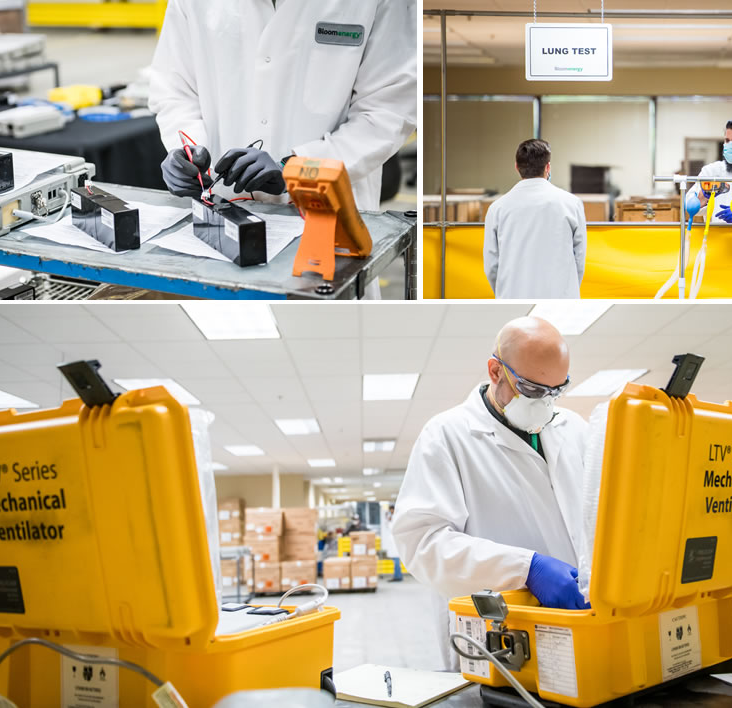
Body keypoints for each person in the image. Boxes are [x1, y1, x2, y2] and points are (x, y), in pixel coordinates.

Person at [148, 1, 417, 299]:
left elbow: (388, 111)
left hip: (326, 224)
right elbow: (174, 90)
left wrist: (299, 167)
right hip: (220, 222)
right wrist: (187, 149)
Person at [392, 316, 589, 669]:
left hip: (580, 623)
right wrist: (526, 568)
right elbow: (422, 544)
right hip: (497, 637)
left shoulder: (574, 429)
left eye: (556, 391)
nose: (545, 403)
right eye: (531, 390)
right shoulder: (446, 436)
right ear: (496, 371)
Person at [483, 139, 587, 300]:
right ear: (548, 167)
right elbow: (579, 260)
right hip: (560, 297)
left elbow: (491, 266)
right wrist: (567, 289)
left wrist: (504, 291)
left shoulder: (497, 208)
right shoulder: (571, 204)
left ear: (517, 167)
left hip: (512, 296)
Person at [382, 504, 403, 582]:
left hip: (395, 541)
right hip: (393, 541)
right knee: (395, 559)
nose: (391, 511)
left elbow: (393, 528)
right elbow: (388, 525)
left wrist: (390, 520)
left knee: (396, 559)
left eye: (392, 509)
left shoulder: (396, 517)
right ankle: (397, 575)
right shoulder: (392, 518)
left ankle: (398, 576)